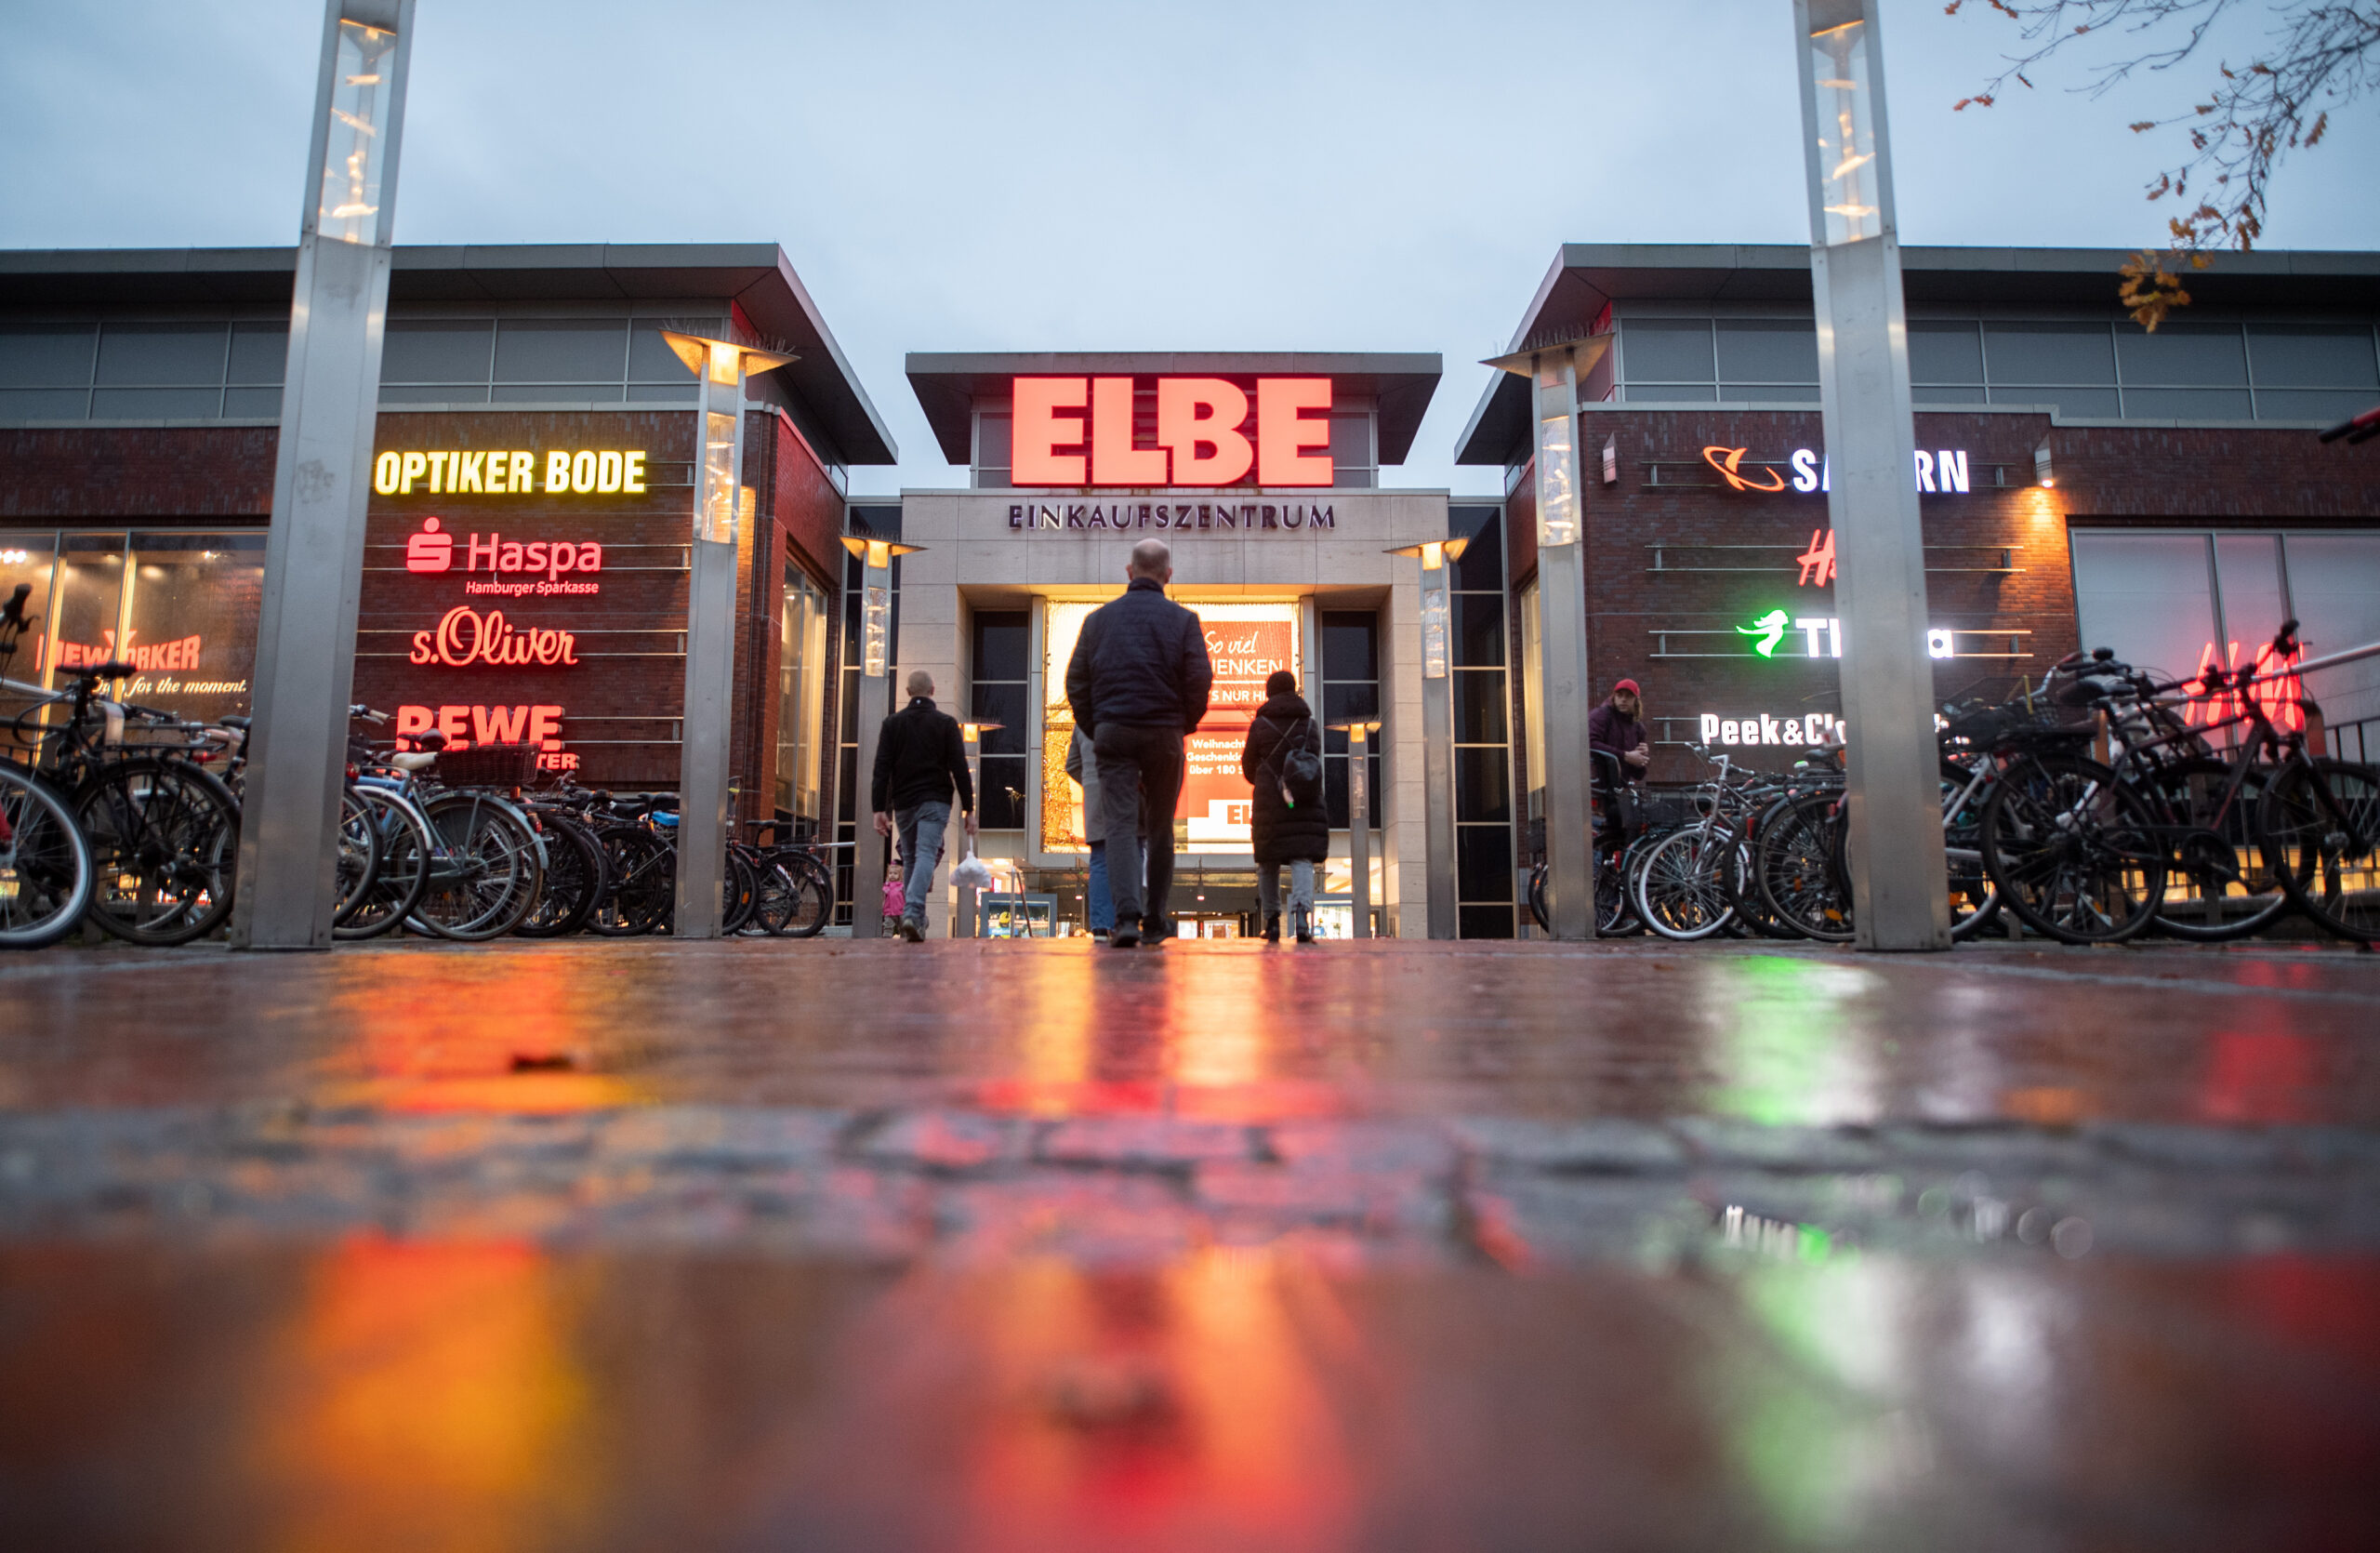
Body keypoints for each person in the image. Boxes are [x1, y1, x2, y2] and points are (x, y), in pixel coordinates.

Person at [1064, 538, 1213, 949]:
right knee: (1161, 826)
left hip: (1113, 733)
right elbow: (1200, 680)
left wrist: (1098, 726)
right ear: (1168, 574)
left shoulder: (1097, 622)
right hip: (1163, 734)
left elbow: (1076, 682)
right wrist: (1180, 725)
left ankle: (1125, 920)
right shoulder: (1184, 621)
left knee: (1120, 826)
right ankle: (1155, 918)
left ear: (1129, 572)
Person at [869, 669, 975, 943]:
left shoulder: (892, 724)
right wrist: (969, 808)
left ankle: (916, 921)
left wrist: (878, 808)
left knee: (914, 858)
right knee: (925, 854)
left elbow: (882, 767)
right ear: (933, 690)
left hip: (903, 802)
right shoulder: (945, 724)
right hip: (935, 801)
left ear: (907, 693)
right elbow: (959, 768)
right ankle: (913, 913)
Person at [1240, 670, 1327, 943]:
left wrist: (1267, 781)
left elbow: (1247, 765)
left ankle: (1273, 922)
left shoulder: (1260, 724)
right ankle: (1301, 920)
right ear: (1294, 690)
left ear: (1270, 693)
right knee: (1301, 859)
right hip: (1302, 801)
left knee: (1268, 862)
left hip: (1269, 802)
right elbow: (1313, 760)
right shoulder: (1310, 724)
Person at [1064, 723, 1144, 935]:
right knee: (1134, 852)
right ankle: (1129, 920)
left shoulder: (1084, 720)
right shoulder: (1131, 710)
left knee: (1100, 859)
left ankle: (1101, 926)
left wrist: (1091, 783)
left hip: (1096, 795)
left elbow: (1072, 763)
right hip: (1130, 790)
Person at [1589, 677, 1651, 779]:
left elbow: (1639, 775)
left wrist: (1640, 761)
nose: (1623, 699)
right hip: (1597, 785)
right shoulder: (1601, 715)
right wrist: (1625, 756)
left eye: (1629, 696)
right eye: (1619, 695)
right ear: (1614, 697)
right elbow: (1590, 744)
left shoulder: (1638, 727)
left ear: (1636, 700)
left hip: (1619, 787)